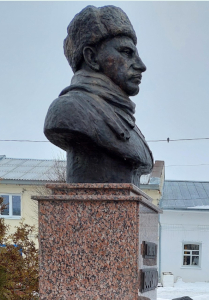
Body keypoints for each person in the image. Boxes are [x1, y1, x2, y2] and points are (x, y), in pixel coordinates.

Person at [44, 5, 154, 184]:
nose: (141, 65)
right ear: (92, 57)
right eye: (126, 53)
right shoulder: (68, 110)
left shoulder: (125, 118)